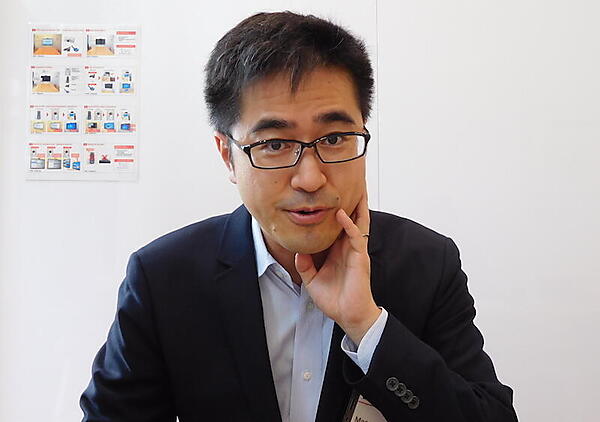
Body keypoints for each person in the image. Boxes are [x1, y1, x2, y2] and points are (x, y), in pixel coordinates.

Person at [80, 11, 517, 422]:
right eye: (274, 144)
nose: (310, 178)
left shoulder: (426, 263)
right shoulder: (164, 278)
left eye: (335, 138)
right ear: (227, 155)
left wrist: (367, 326)